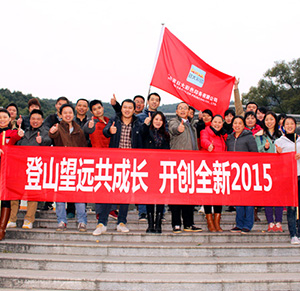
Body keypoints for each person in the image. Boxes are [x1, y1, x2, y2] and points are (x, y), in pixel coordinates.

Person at [93, 99, 143, 236]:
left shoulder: (138, 123)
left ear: (134, 110)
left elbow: (143, 139)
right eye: (125, 107)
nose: (127, 110)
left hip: (130, 162)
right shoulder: (115, 120)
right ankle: (102, 223)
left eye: (130, 107)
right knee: (108, 192)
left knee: (125, 193)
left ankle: (122, 222)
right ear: (122, 109)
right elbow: (105, 131)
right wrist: (110, 130)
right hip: (114, 160)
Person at [6, 109, 52, 230]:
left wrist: (42, 141)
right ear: (29, 120)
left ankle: (28, 219)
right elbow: (13, 145)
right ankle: (12, 218)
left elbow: (49, 141)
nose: (35, 121)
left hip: (35, 167)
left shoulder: (44, 132)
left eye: (38, 119)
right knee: (15, 193)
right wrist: (17, 136)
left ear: (42, 120)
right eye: (33, 119)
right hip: (19, 167)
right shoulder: (23, 132)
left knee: (32, 194)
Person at [48, 104, 88, 232]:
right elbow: (52, 136)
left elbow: (84, 147)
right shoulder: (57, 127)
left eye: (70, 112)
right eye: (65, 113)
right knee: (60, 196)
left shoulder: (78, 130)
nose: (68, 115)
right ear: (60, 115)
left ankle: (82, 221)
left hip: (76, 166)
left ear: (73, 114)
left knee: (79, 195)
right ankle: (61, 221)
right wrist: (52, 132)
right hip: (61, 166)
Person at [168, 102, 202, 233]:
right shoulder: (174, 121)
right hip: (178, 164)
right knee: (176, 195)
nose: (183, 110)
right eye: (180, 108)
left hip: (191, 165)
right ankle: (176, 224)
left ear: (189, 111)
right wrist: (178, 129)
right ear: (176, 111)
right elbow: (174, 129)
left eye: (185, 108)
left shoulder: (191, 125)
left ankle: (189, 223)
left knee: (189, 196)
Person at [83, 100, 118, 220]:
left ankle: (112, 209)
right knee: (100, 184)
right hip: (98, 158)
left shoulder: (109, 121)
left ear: (103, 108)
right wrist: (89, 127)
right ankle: (100, 211)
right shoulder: (92, 122)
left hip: (111, 156)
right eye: (95, 109)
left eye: (99, 107)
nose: (98, 110)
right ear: (92, 112)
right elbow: (85, 130)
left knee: (111, 184)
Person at [227, 116, 258, 234]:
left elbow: (255, 154)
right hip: (234, 173)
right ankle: (239, 224)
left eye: (240, 123)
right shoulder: (229, 138)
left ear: (243, 125)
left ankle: (248, 224)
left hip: (247, 172)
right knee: (238, 200)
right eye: (235, 123)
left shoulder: (249, 137)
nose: (237, 125)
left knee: (249, 200)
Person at [136, 92, 165, 221]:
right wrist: (145, 124)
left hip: (160, 160)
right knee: (144, 185)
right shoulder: (140, 116)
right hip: (145, 158)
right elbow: (137, 134)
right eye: (152, 99)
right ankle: (143, 212)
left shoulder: (161, 117)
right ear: (148, 101)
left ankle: (160, 212)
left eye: (157, 100)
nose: (154, 102)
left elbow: (166, 135)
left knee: (160, 186)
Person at [141, 111, 170, 233]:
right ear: (152, 120)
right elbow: (139, 136)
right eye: (156, 119)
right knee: (149, 197)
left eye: (160, 120)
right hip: (148, 168)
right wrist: (145, 125)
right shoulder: (146, 132)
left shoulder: (166, 135)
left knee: (160, 197)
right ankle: (150, 224)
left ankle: (158, 223)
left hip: (161, 169)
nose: (158, 121)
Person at [255, 111, 283, 232]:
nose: (269, 122)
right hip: (265, 169)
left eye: (271, 119)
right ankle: (270, 222)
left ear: (275, 121)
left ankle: (279, 221)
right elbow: (256, 150)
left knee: (279, 197)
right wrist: (264, 148)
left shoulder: (282, 135)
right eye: (267, 120)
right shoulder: (259, 135)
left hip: (279, 169)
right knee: (268, 197)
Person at [275, 117, 300, 245]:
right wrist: (278, 153)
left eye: (292, 124)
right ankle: (293, 234)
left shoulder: (299, 139)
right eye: (287, 124)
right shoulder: (279, 142)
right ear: (283, 126)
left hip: (299, 175)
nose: (289, 126)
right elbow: (275, 162)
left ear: (295, 125)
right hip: (288, 177)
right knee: (291, 207)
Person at [200, 115, 227, 232]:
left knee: (218, 196)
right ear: (211, 123)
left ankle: (217, 222)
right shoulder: (205, 131)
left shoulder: (223, 135)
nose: (217, 124)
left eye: (219, 122)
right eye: (215, 122)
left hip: (219, 168)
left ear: (222, 123)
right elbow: (203, 141)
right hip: (207, 167)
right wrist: (208, 146)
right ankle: (210, 221)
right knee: (208, 195)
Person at [0, 108, 23, 240]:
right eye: (0, 117)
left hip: (6, 171)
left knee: (5, 200)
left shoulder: (11, 133)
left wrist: (20, 133)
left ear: (10, 119)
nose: (2, 119)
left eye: (4, 117)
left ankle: (1, 229)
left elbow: (17, 136)